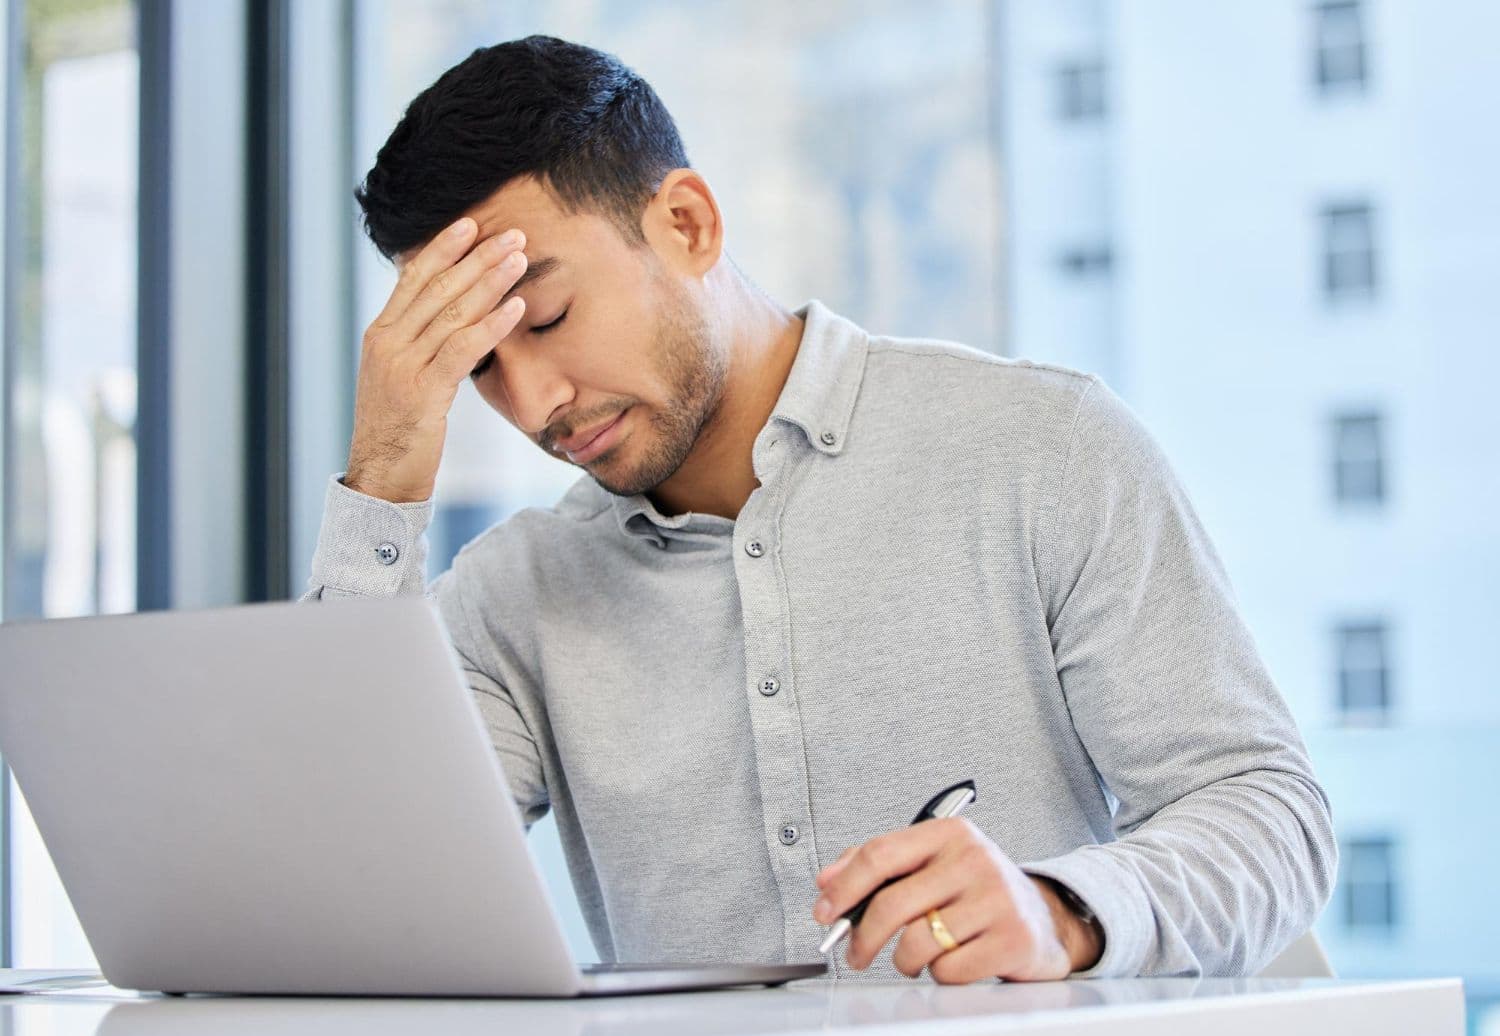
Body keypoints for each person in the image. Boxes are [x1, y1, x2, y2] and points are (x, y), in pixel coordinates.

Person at [303, 34, 1335, 983]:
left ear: (688, 224)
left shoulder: (1041, 450)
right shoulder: (510, 599)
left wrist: (1063, 910)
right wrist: (385, 472)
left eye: (553, 318)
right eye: (477, 364)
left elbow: (1269, 817)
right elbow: (346, 888)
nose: (531, 405)